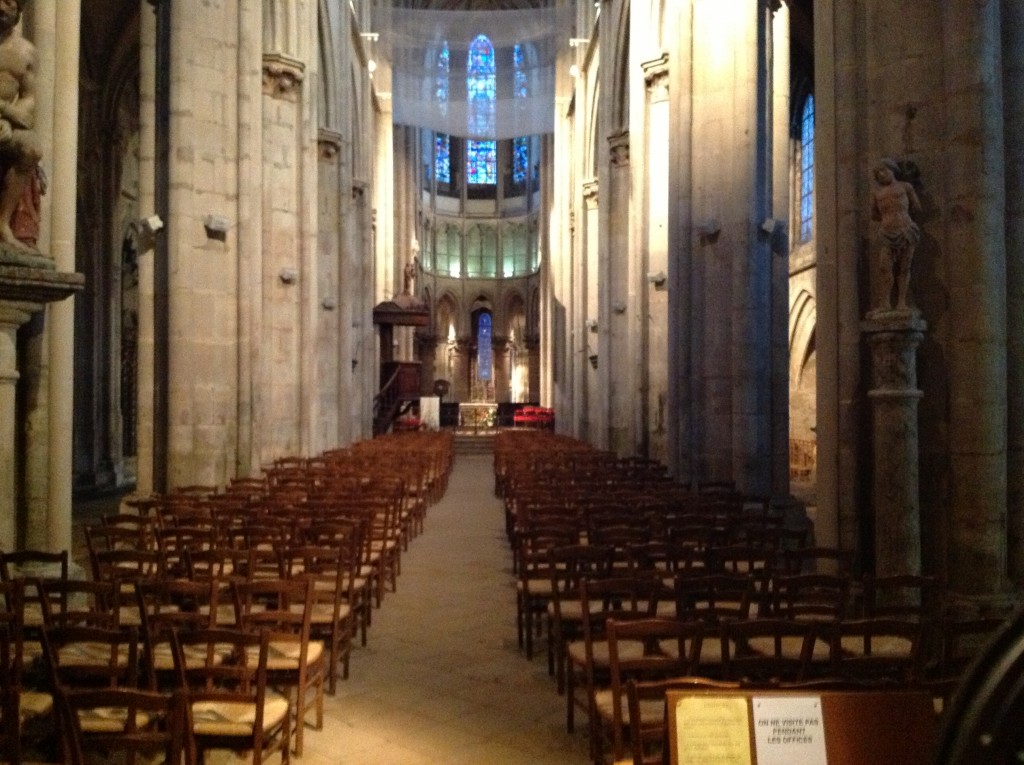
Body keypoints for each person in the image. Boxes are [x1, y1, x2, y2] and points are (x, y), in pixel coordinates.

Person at [0, 0, 40, 252]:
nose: (2, 8)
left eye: (9, 2)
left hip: (5, 121)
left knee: (31, 149)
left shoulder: (26, 52)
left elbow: (29, 98)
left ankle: (3, 225)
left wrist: (6, 116)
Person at [871, 158, 921, 312]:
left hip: (906, 230)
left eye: (884, 171)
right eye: (878, 173)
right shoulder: (877, 194)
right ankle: (885, 303)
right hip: (886, 232)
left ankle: (901, 302)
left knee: (905, 267)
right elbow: (874, 215)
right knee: (884, 267)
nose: (881, 175)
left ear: (893, 170)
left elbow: (916, 207)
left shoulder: (905, 187)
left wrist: (901, 217)